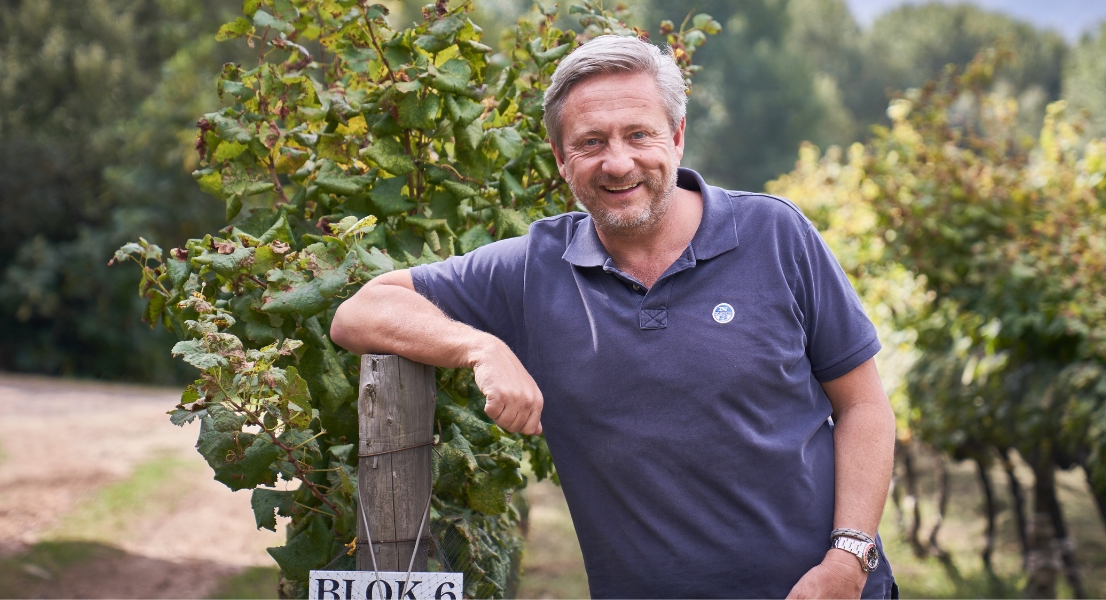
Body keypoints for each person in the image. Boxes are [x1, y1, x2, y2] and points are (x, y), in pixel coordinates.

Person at [330, 34, 898, 599]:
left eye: (639, 134)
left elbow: (864, 406)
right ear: (560, 157)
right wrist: (482, 348)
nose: (618, 161)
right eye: (591, 142)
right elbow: (360, 311)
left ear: (676, 137)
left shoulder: (776, 236)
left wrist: (849, 559)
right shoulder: (535, 268)